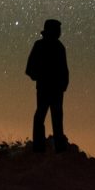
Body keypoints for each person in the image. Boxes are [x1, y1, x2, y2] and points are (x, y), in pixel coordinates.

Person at [26, 19, 69, 153]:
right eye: (57, 29)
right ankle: (42, 149)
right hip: (48, 88)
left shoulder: (58, 47)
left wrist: (63, 84)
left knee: (52, 118)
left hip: (53, 88)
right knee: (45, 118)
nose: (60, 32)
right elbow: (30, 69)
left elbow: (64, 70)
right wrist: (42, 77)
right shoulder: (42, 46)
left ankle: (50, 150)